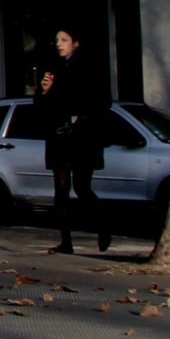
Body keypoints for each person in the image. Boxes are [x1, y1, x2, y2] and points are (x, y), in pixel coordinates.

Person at [37, 26, 109, 253]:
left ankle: (103, 226)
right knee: (61, 188)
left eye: (64, 39)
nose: (59, 44)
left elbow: (99, 101)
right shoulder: (53, 68)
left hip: (82, 137)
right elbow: (40, 105)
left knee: (81, 186)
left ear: (75, 43)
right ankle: (65, 241)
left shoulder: (89, 67)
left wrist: (82, 120)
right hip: (59, 136)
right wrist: (44, 92)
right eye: (57, 40)